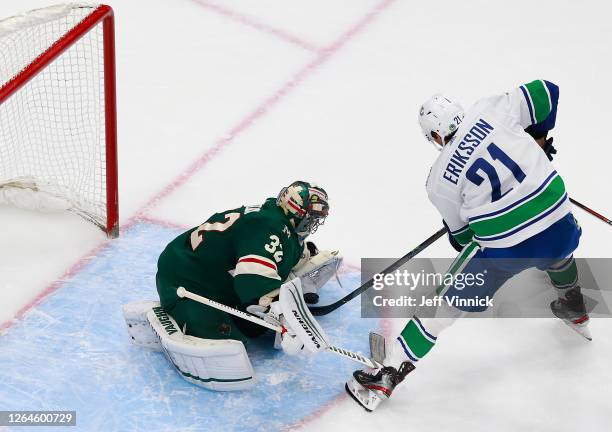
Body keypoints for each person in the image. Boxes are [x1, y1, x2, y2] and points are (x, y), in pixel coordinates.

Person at [346, 80, 590, 411]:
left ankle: (388, 373)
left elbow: (463, 240)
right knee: (556, 246)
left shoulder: (437, 181)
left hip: (505, 247)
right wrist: (537, 139)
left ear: (434, 137)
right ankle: (574, 305)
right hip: (559, 219)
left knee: (440, 305)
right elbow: (548, 91)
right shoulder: (491, 108)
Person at [123, 181, 341, 391]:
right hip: (185, 279)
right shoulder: (268, 227)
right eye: (310, 218)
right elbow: (255, 279)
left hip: (212, 275)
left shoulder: (277, 222)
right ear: (294, 213)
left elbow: (279, 251)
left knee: (256, 326)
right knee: (228, 347)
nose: (313, 224)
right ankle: (178, 311)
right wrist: (286, 319)